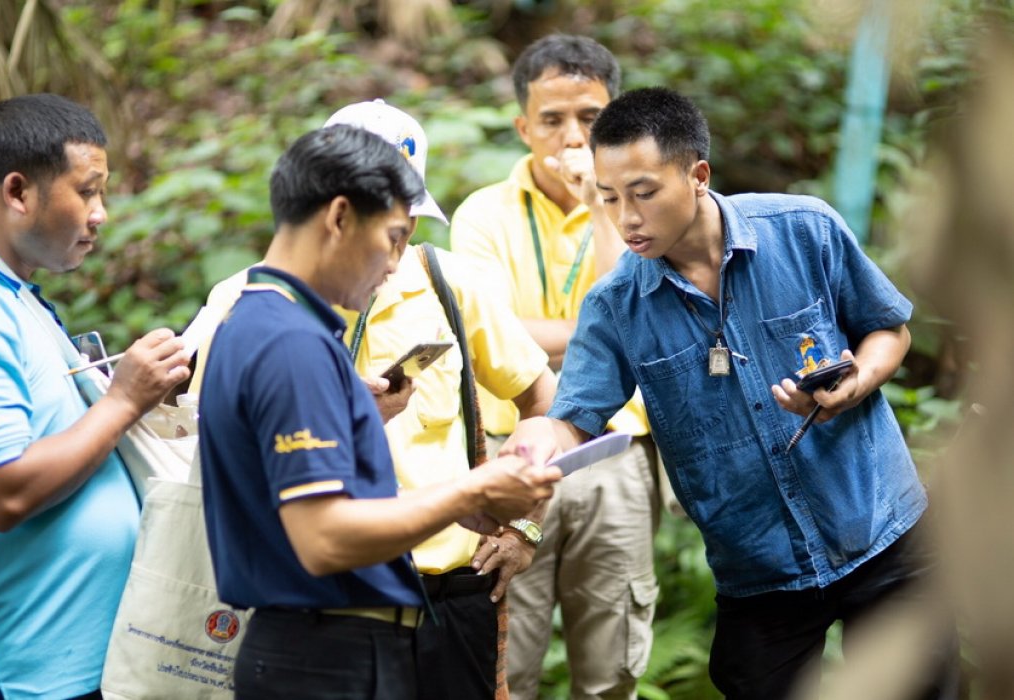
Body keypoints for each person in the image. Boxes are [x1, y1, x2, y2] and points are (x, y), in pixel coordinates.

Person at [509, 86, 958, 700]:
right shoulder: (615, 306)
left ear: (697, 175)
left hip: (881, 528)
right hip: (758, 569)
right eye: (610, 198)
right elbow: (573, 419)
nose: (627, 218)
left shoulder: (804, 230)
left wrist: (857, 382)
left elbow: (888, 327)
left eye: (644, 192)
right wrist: (536, 439)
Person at [191, 99, 558, 699]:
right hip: (327, 648)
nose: (396, 263)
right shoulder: (292, 342)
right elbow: (325, 537)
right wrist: (473, 490)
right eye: (392, 238)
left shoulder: (266, 321)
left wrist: (489, 516)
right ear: (338, 216)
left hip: (377, 629)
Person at [0, 94, 191, 700]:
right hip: (17, 677)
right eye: (87, 191)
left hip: (73, 668)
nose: (101, 214)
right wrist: (123, 402)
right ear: (18, 192)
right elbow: (3, 491)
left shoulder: (9, 295)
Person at [449, 34, 660, 699]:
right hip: (515, 456)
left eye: (591, 119)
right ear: (523, 126)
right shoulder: (482, 215)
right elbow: (489, 335)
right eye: (552, 119)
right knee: (511, 659)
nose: (572, 136)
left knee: (612, 665)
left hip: (616, 453)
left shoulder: (645, 208)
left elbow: (628, 309)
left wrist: (601, 202)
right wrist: (598, 337)